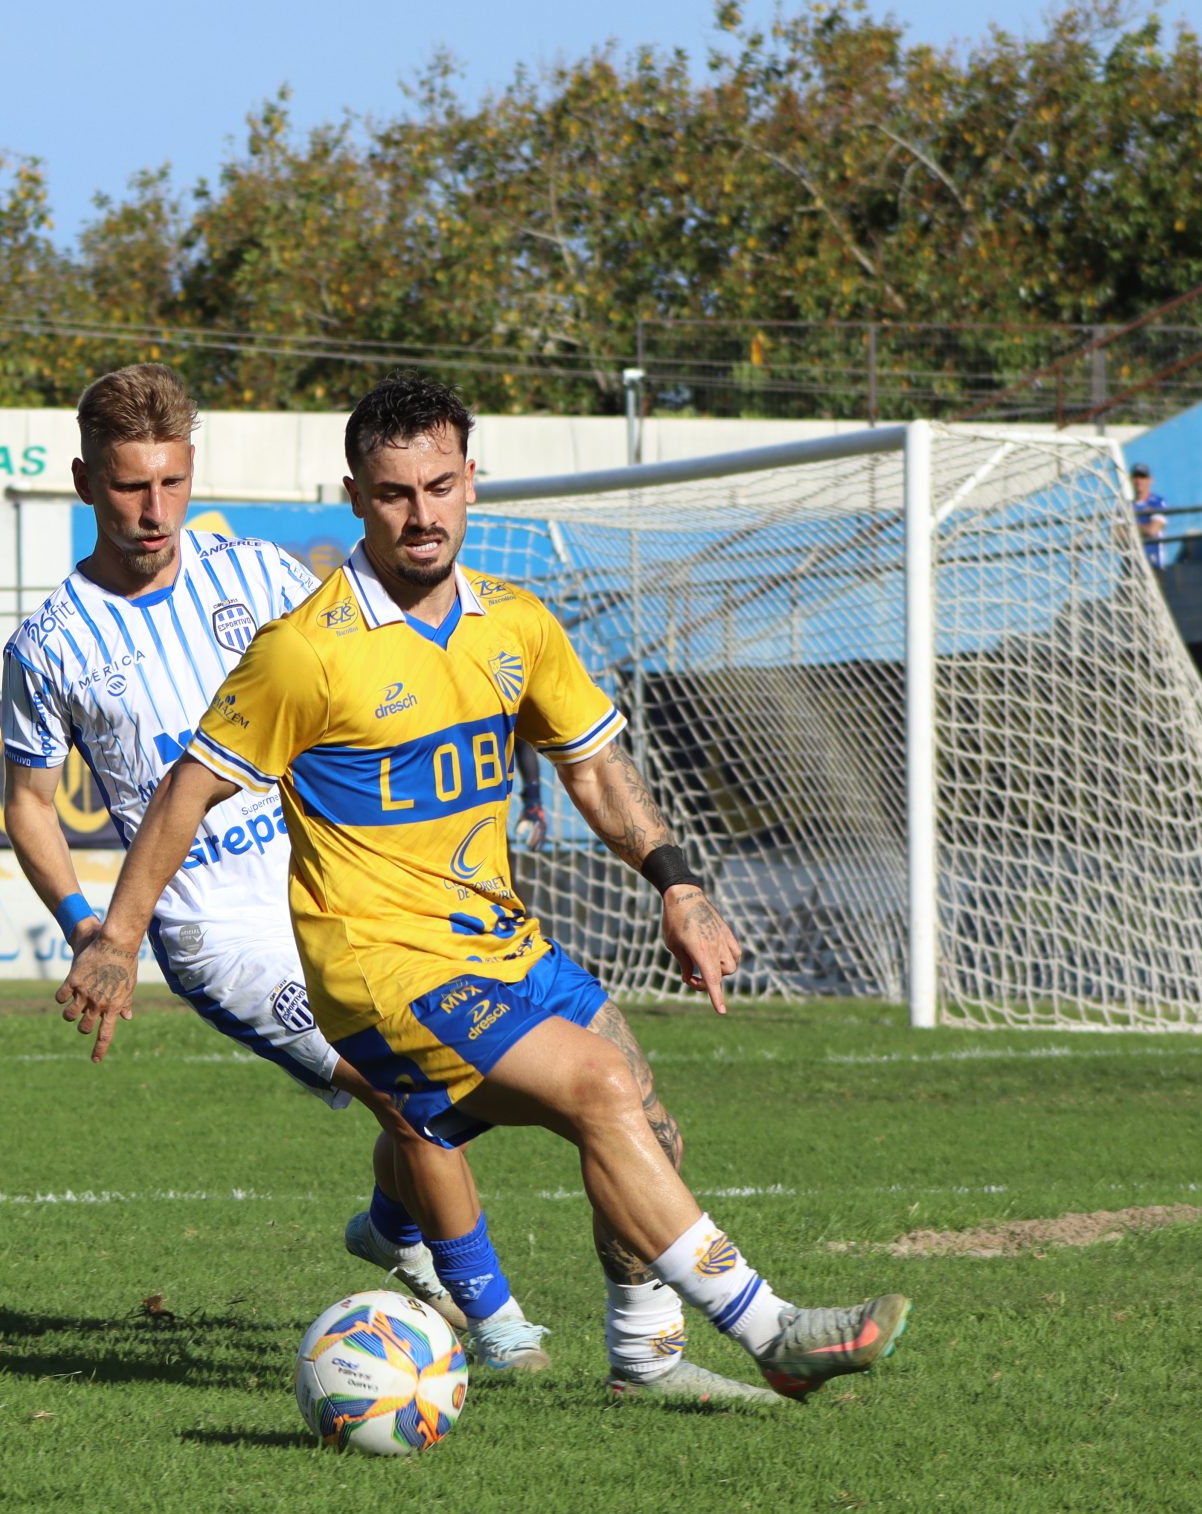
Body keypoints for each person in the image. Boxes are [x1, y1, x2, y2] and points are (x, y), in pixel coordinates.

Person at [59, 375, 910, 1403]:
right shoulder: (304, 651)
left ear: (472, 480)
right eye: (391, 494)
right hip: (380, 969)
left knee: (647, 1120)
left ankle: (643, 1358)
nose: (420, 515)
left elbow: (592, 769)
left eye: (439, 485)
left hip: (499, 944)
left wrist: (676, 885)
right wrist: (114, 939)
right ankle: (775, 1328)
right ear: (354, 497)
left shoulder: (514, 622)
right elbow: (184, 794)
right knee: (598, 1085)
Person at [1129, 464, 1169, 571]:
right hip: (1132, 567)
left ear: (1150, 480)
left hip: (1154, 565)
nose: (1139, 481)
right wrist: (1145, 527)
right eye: (1136, 477)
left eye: (1142, 477)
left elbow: (1153, 530)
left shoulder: (1158, 502)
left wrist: (1130, 527)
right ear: (1131, 480)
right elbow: (1116, 534)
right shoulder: (1126, 506)